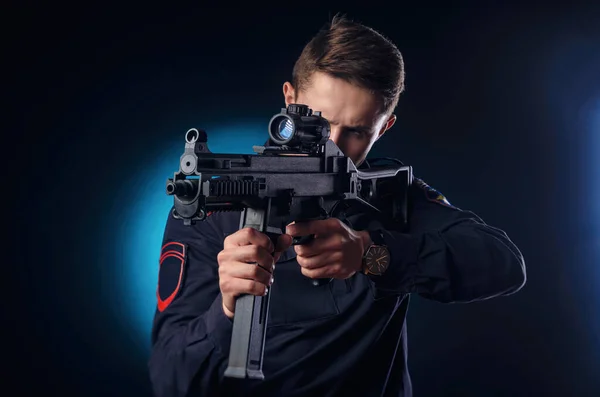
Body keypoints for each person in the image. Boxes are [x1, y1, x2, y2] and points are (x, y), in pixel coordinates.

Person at [148, 14, 527, 397]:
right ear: (289, 99)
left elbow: (504, 265)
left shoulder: (391, 196)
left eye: (357, 132)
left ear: (384, 128)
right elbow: (170, 379)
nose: (331, 146)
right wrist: (226, 311)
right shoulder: (218, 208)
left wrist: (372, 252)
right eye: (319, 124)